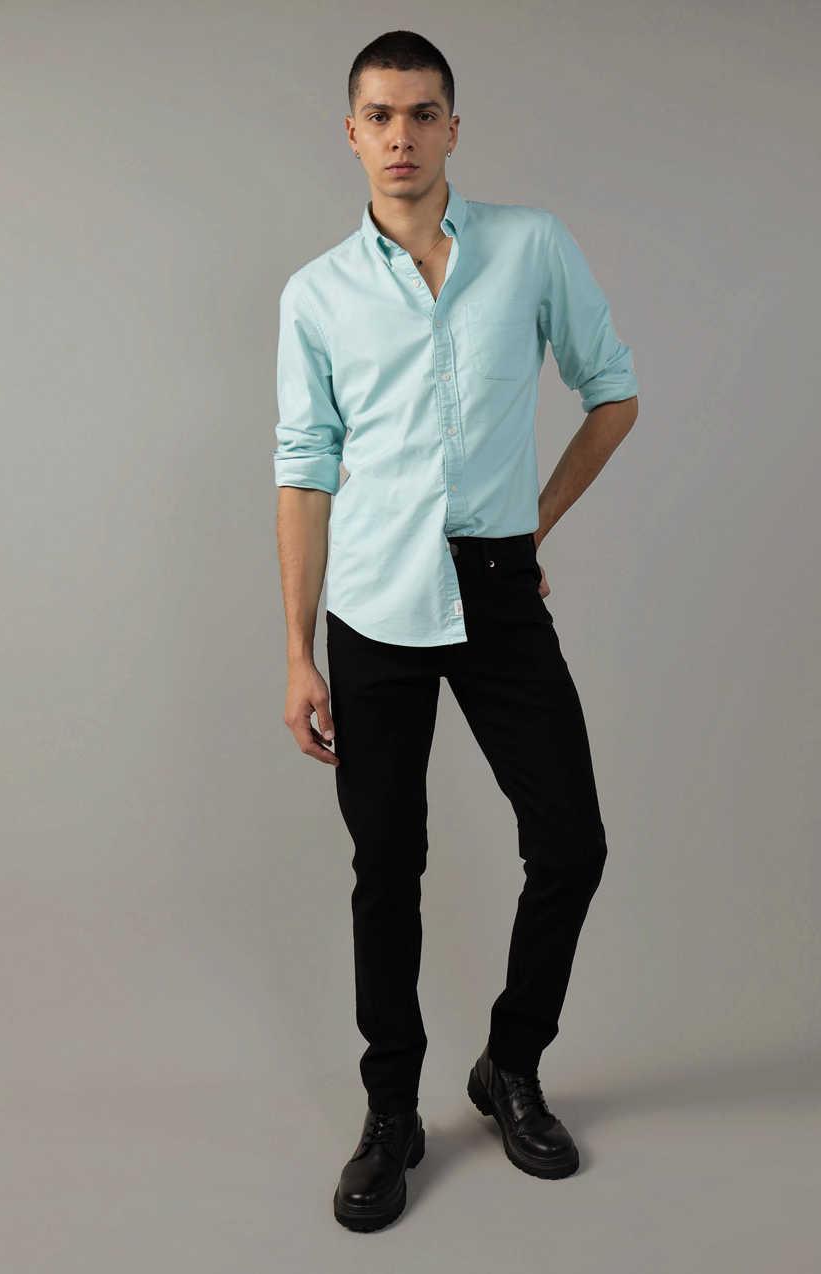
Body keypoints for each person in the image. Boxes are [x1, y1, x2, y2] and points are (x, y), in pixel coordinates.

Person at [273, 30, 639, 1232]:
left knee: (571, 841)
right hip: (373, 603)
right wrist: (298, 651)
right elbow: (304, 469)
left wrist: (532, 524)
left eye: (422, 114)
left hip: (494, 588)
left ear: (453, 128)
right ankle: (392, 1111)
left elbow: (612, 389)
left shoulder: (530, 247)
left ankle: (510, 1061)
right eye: (380, 116)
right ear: (351, 133)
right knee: (388, 867)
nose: (401, 137)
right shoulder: (317, 294)